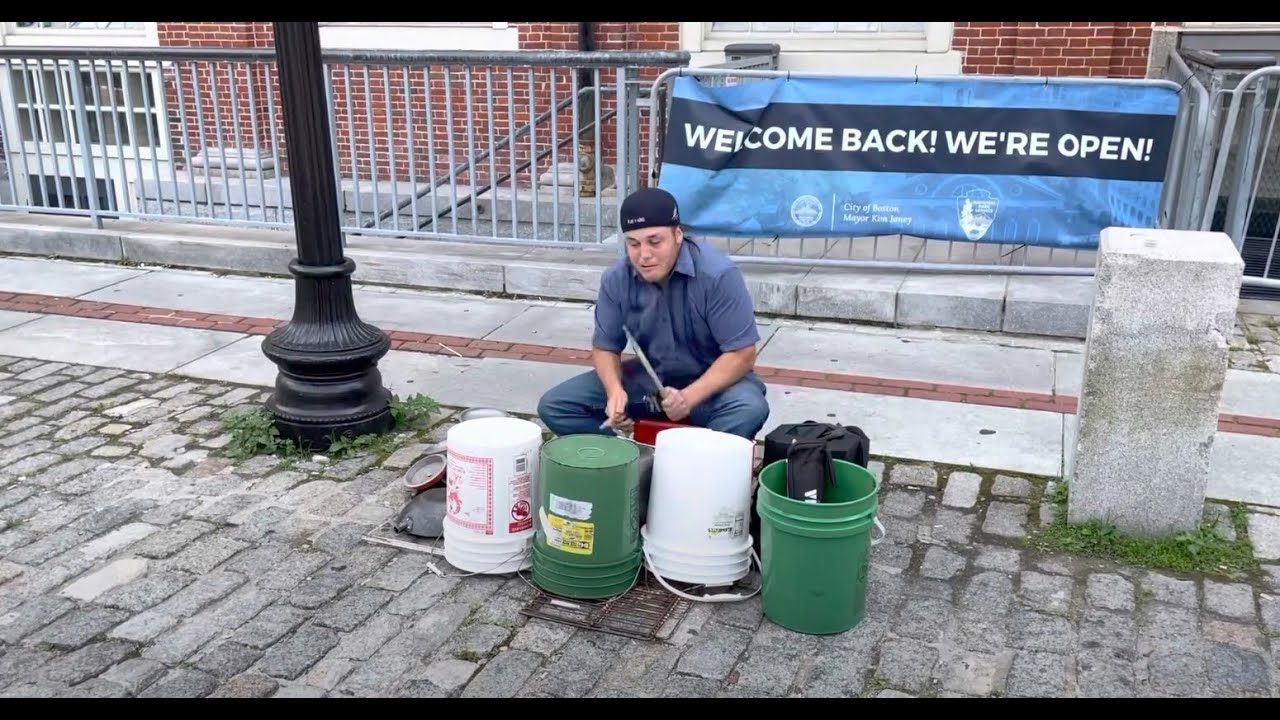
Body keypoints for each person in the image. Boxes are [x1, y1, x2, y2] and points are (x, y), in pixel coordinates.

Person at [537, 187, 770, 440]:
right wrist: (615, 392)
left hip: (713, 383)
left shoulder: (718, 275)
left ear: (678, 235)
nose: (644, 255)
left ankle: (700, 466)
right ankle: (626, 461)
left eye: (654, 241)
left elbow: (742, 354)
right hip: (650, 381)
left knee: (747, 408)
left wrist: (688, 398)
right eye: (633, 244)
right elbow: (605, 347)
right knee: (556, 406)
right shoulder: (617, 279)